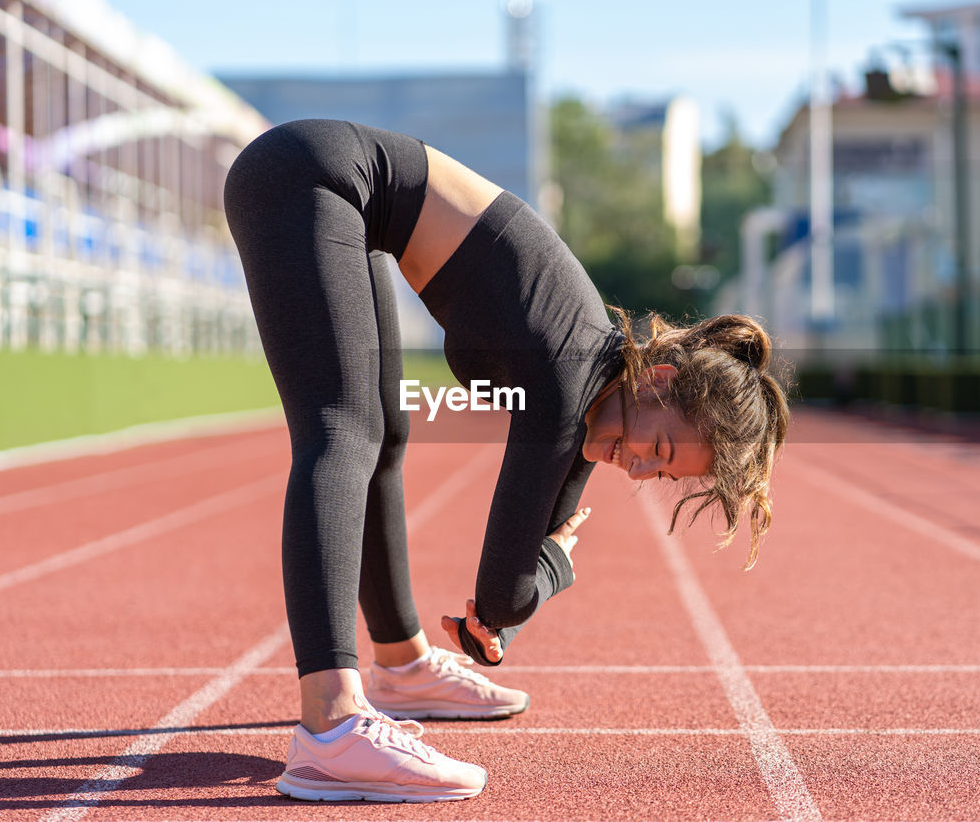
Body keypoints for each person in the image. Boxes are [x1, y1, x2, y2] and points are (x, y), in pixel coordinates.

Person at [223, 119, 789, 804]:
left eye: (662, 474)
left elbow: (502, 601)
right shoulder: (564, 375)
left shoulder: (597, 379)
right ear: (660, 379)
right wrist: (549, 568)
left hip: (351, 202)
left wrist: (502, 613)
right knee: (342, 430)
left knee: (383, 433)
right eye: (659, 448)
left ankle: (401, 667)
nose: (638, 472)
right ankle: (331, 723)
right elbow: (504, 590)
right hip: (307, 178)